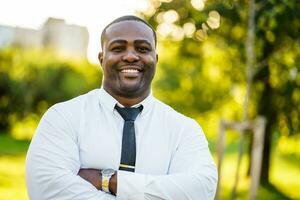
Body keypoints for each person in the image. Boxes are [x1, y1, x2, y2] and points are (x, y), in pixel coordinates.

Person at [26, 15, 218, 200]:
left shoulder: (184, 129)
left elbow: (201, 190)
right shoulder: (63, 117)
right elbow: (48, 191)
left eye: (142, 49)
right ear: (102, 59)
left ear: (156, 59)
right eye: (118, 48)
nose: (131, 56)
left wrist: (109, 181)